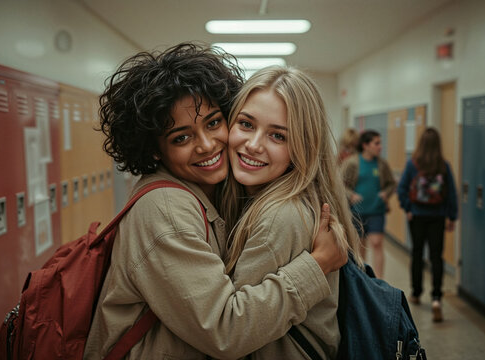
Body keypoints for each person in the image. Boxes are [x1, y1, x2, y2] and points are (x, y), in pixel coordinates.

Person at [84, 43, 347, 359]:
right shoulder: (166, 209)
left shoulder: (254, 204)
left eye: (212, 123)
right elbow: (226, 330)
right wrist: (316, 267)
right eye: (181, 137)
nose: (207, 145)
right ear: (155, 150)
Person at [220, 66, 362, 359]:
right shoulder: (272, 199)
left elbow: (234, 332)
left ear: (303, 147)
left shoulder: (280, 217)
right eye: (246, 124)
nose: (254, 145)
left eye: (278, 136)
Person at [397, 127, 458, 322]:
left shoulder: (413, 164)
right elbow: (451, 194)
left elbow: (402, 189)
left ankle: (415, 292)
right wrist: (451, 216)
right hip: (437, 216)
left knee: (417, 253)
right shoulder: (443, 166)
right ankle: (437, 298)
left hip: (417, 216)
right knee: (436, 257)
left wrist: (408, 207)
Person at [340, 130, 395, 278]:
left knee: (377, 243)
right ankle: (364, 279)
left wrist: (386, 193)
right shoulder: (352, 163)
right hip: (357, 212)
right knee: (360, 247)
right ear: (365, 145)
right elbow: (339, 184)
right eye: (376, 143)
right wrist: (351, 195)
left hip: (377, 210)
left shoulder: (382, 164)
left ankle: (379, 281)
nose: (380, 147)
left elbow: (391, 183)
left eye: (380, 143)